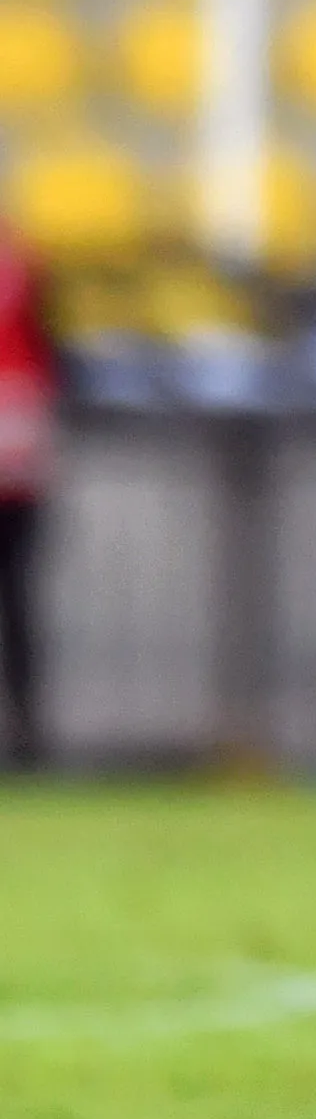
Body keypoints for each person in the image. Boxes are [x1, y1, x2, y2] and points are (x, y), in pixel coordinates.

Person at [0, 219, 52, 772]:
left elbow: (50, 358)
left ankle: (26, 733)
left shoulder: (28, 268)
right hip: (21, 460)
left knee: (18, 605)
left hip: (18, 471)